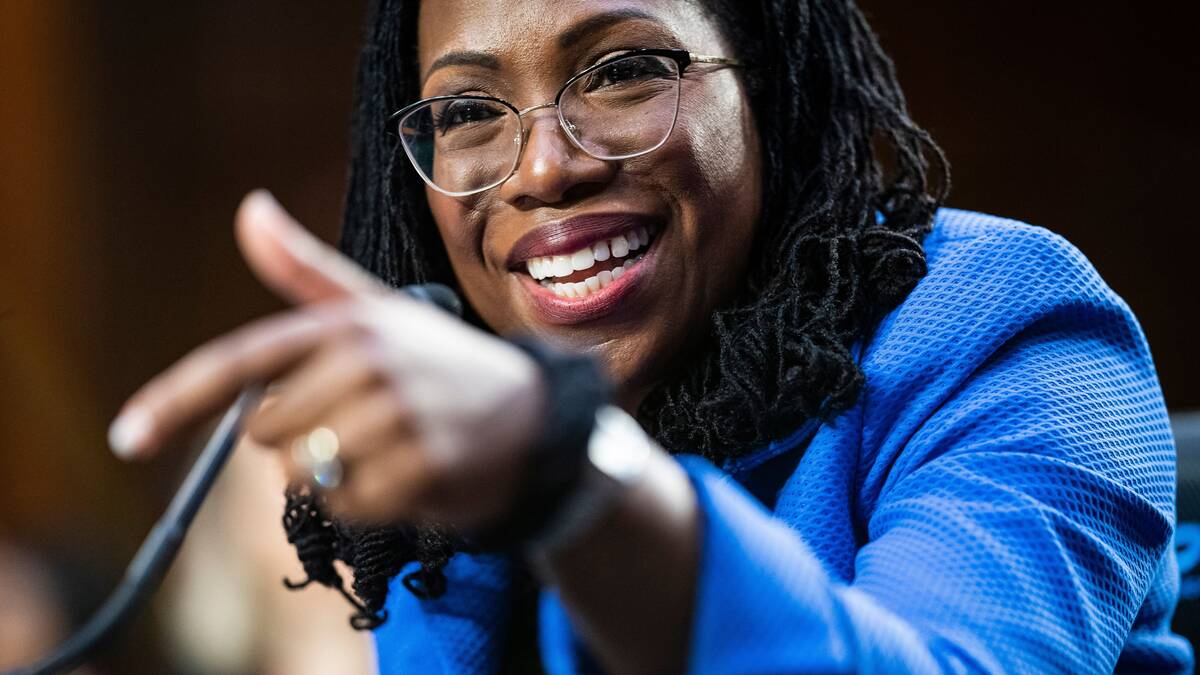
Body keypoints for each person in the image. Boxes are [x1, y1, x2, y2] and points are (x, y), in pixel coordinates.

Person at [106, 0, 1191, 672]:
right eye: (470, 111)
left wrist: (566, 466)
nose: (542, 169)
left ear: (763, 82)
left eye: (623, 70)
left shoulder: (1001, 320)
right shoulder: (474, 447)